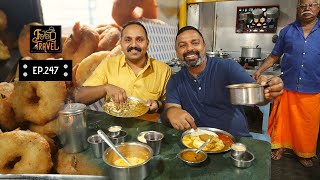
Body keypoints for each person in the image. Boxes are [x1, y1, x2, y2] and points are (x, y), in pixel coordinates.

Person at [161, 26, 283, 137]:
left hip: (235, 139)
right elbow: (170, 108)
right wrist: (171, 112)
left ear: (204, 46)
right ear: (176, 52)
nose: (189, 49)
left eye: (195, 43)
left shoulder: (227, 67)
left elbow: (258, 97)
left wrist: (267, 90)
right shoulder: (175, 80)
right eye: (182, 45)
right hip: (197, 141)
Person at [253, 0, 320, 167]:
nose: (307, 9)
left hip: (312, 88)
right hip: (287, 87)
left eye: (312, 5)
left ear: (318, 8)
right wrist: (259, 70)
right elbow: (275, 55)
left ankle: (304, 153)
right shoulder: (287, 31)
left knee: (307, 126)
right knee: (282, 122)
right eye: (303, 6)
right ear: (298, 9)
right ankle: (279, 147)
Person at [75, 21, 172, 122]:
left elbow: (172, 106)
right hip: (114, 129)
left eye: (139, 39)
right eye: (128, 40)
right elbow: (79, 97)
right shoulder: (109, 64)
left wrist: (159, 105)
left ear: (147, 44)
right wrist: (105, 88)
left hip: (148, 132)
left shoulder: (164, 70)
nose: (133, 45)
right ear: (120, 44)